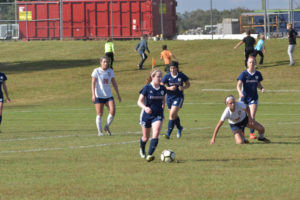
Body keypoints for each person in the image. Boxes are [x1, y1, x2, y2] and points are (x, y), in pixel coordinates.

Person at [137, 68, 166, 162]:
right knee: (145, 137)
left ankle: (149, 155)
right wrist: (145, 108)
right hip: (146, 115)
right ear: (152, 77)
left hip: (158, 115)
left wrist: (163, 111)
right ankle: (142, 148)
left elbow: (163, 100)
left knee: (156, 132)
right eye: (158, 76)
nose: (160, 78)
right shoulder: (147, 88)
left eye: (161, 76)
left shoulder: (162, 88)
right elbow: (139, 102)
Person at [91, 56, 122, 136]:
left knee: (112, 111)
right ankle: (100, 131)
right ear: (100, 62)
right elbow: (93, 83)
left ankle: (106, 126)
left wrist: (118, 94)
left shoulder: (110, 71)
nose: (106, 63)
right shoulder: (96, 71)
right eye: (104, 62)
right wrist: (93, 95)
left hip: (108, 95)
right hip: (99, 95)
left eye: (107, 62)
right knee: (100, 113)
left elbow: (114, 83)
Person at [237, 56, 264, 140]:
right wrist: (240, 92)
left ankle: (251, 133)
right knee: (243, 116)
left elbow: (258, 84)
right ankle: (242, 133)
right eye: (250, 62)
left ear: (255, 63)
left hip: (253, 98)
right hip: (244, 98)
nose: (252, 64)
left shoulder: (258, 74)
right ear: (247, 63)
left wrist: (262, 88)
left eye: (253, 62)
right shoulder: (244, 73)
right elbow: (238, 85)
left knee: (251, 116)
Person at [161, 61, 190, 139]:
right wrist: (169, 88)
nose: (172, 69)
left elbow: (188, 84)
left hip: (179, 97)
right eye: (171, 68)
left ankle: (168, 134)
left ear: (177, 68)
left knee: (171, 115)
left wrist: (183, 87)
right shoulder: (167, 76)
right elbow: (161, 85)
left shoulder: (181, 75)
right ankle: (179, 127)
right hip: (169, 97)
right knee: (174, 115)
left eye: (174, 68)